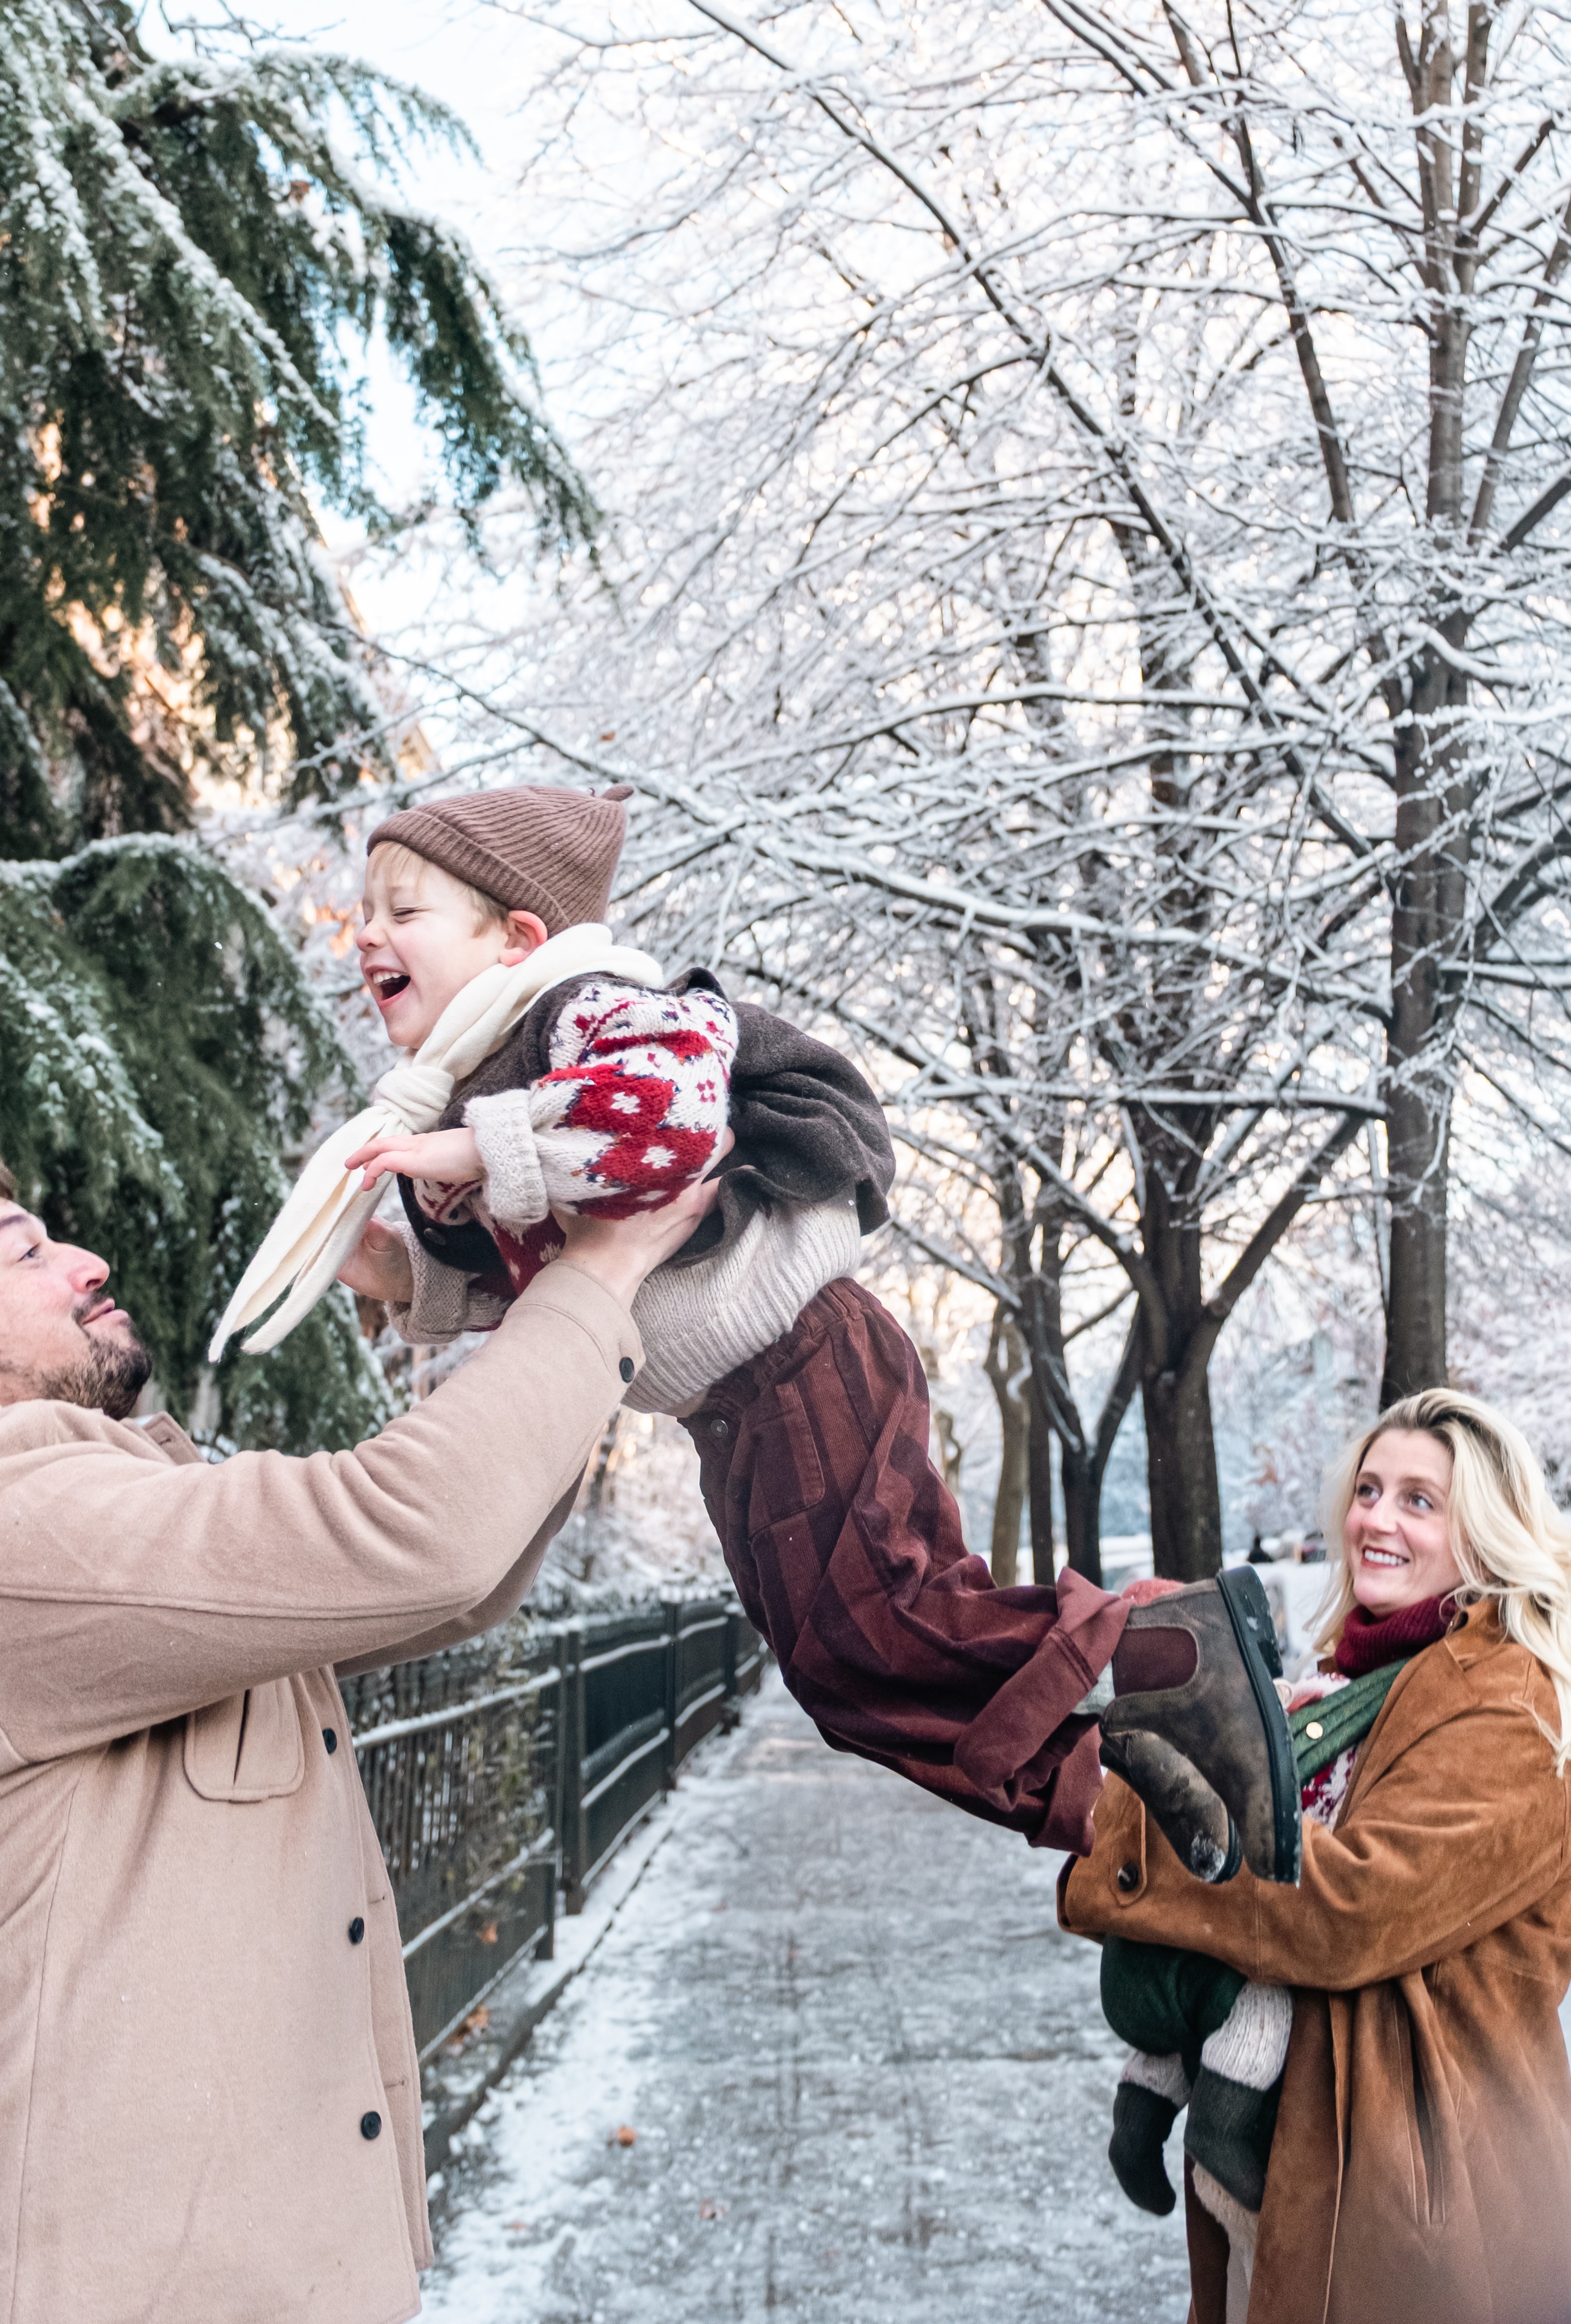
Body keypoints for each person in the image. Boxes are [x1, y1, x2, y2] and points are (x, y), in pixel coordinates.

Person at [270, 783, 1300, 1874]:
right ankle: (1121, 1788)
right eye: (363, 910)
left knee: (887, 1624)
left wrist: (480, 1150)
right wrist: (385, 1261)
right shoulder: (480, 1086)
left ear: (518, 936)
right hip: (736, 1412)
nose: (366, 933)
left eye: (403, 909)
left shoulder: (583, 1009)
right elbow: (549, 1282)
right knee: (840, 1679)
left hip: (803, 1361)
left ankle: (1165, 1643)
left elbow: (665, 1110)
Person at [0, 1128, 717, 2323]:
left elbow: (448, 1571)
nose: (87, 1259)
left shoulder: (81, 1520)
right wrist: (595, 1271)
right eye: (26, 1250)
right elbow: (413, 1529)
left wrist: (541, 1295)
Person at [1061, 1389, 1571, 2324]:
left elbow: (1349, 1909)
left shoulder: (1509, 1706)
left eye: (1421, 1500)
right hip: (1313, 2177)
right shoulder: (1362, 1678)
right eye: (1370, 1489)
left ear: (1486, 1531)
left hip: (1423, 2208)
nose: (1377, 1516)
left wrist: (1142, 1845)